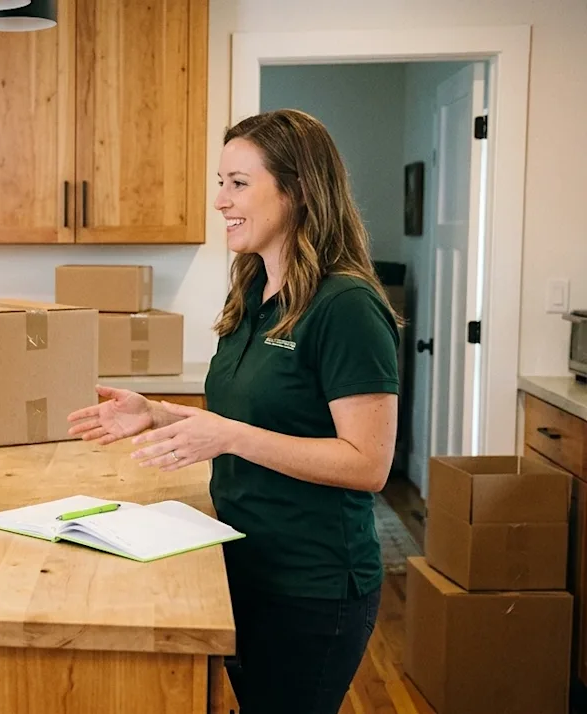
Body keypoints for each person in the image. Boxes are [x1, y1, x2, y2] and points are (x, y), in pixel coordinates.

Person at [67, 109, 399, 714]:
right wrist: (156, 413)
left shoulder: (346, 305)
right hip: (243, 560)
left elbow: (368, 464)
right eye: (220, 182)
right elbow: (251, 417)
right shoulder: (252, 292)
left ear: (298, 190)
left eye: (238, 183)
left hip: (312, 585)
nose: (219, 200)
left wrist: (232, 436)